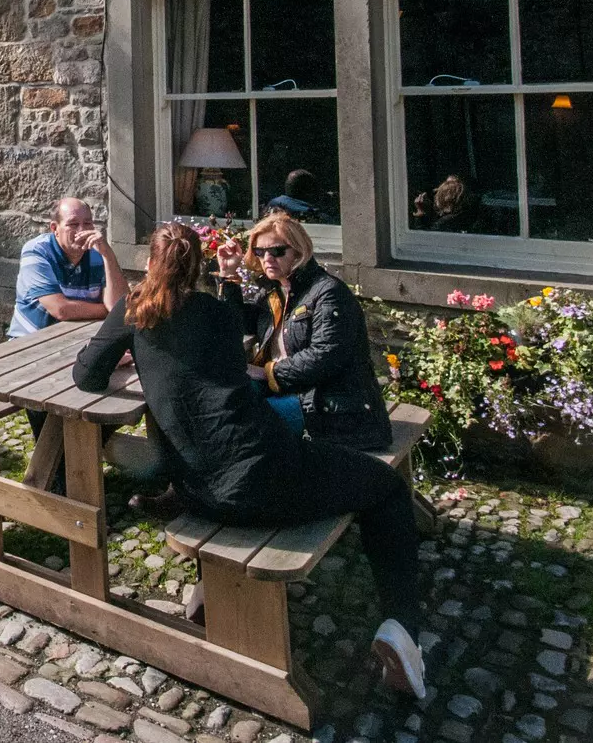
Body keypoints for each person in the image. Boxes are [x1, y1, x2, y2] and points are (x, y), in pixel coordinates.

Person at [73, 222, 427, 699]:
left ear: (150, 264)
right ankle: (403, 631)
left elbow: (88, 376)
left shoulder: (132, 310)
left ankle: (205, 592)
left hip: (198, 490)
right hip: (264, 474)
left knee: (216, 451)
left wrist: (130, 351)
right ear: (197, 264)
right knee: (385, 488)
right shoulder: (218, 316)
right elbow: (222, 345)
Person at [243, 211, 392, 452]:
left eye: (277, 251)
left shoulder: (328, 293)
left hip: (332, 411)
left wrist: (268, 372)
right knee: (228, 398)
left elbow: (325, 356)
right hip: (297, 395)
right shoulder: (274, 292)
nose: (267, 258)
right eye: (260, 252)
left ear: (299, 252)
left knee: (244, 423)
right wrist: (228, 278)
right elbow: (233, 325)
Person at [6, 197, 131, 338]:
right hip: (30, 343)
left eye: (88, 223)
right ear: (55, 228)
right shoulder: (37, 251)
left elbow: (122, 306)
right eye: (73, 224)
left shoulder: (98, 253)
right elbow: (60, 309)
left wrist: (108, 256)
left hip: (77, 339)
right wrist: (107, 311)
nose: (82, 230)